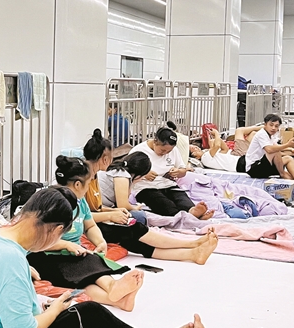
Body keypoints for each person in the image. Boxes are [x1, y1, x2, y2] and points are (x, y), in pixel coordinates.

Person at [0, 188, 208, 328]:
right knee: (86, 324)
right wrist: (54, 310)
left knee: (88, 316)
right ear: (56, 230)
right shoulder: (9, 258)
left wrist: (26, 273)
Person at [26, 158, 146, 311]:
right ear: (78, 184)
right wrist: (66, 245)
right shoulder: (50, 203)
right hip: (45, 255)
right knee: (79, 273)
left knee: (91, 261)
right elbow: (35, 241)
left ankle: (117, 295)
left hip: (74, 252)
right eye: (89, 183)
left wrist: (100, 242)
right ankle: (114, 291)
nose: (89, 188)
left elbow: (90, 226)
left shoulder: (80, 202)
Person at [82, 138, 217, 265]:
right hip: (94, 222)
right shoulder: (90, 178)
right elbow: (81, 215)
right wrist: (112, 214)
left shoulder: (94, 176)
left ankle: (193, 252)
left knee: (133, 235)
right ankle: (192, 244)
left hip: (166, 185)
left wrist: (113, 212)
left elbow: (94, 208)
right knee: (136, 225)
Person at [128, 128, 214, 219]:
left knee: (181, 199)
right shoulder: (139, 151)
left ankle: (192, 212)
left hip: (168, 184)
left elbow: (183, 170)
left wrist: (179, 172)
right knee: (165, 205)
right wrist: (144, 173)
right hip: (145, 187)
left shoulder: (174, 150)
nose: (165, 153)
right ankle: (186, 218)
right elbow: (128, 171)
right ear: (155, 141)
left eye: (168, 151)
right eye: (162, 150)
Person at [244, 114, 294, 180]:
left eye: (276, 126)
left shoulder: (270, 136)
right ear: (265, 125)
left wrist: (292, 149)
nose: (273, 128)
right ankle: (282, 174)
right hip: (254, 168)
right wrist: (287, 145)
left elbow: (277, 146)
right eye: (271, 125)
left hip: (265, 165)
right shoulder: (261, 134)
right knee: (275, 151)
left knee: (288, 159)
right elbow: (269, 150)